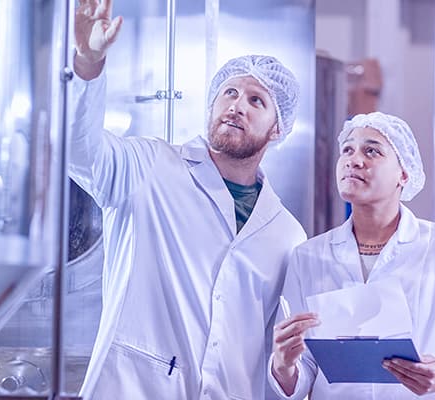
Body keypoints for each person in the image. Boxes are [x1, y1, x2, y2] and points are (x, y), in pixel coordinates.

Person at [69, 0, 306, 398]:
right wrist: (87, 64)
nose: (236, 105)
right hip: (132, 387)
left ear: (277, 129)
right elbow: (80, 151)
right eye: (229, 92)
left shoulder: (286, 234)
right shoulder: (147, 167)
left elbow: (277, 357)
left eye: (256, 100)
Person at [269, 112, 435, 399]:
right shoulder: (308, 256)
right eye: (347, 150)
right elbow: (304, 372)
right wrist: (283, 365)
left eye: (372, 151)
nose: (354, 160)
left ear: (403, 174)